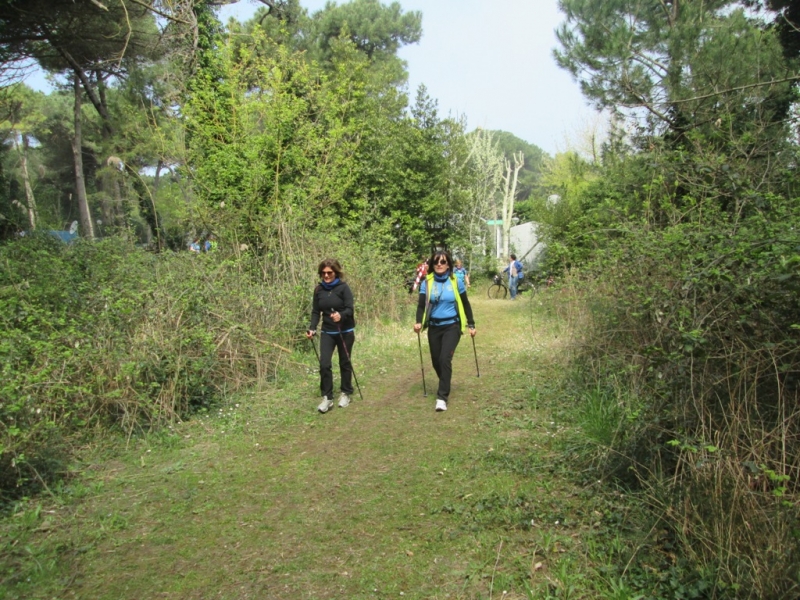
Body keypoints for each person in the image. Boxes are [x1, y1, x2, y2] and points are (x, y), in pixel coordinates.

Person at [413, 250, 476, 412]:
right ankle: (445, 381)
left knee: (444, 359)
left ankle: (442, 398)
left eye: (443, 262)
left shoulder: (456, 281)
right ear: (432, 265)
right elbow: (421, 306)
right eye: (436, 262)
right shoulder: (426, 282)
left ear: (448, 264)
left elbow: (465, 303)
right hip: (434, 326)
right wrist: (418, 322)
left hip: (452, 326)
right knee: (436, 361)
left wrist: (471, 324)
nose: (439, 265)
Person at [306, 259, 356, 413]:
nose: (326, 275)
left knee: (344, 362)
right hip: (327, 332)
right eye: (323, 273)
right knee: (324, 364)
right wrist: (312, 328)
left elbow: (350, 309)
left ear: (336, 273)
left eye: (329, 273)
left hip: (345, 331)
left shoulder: (343, 288)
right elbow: (316, 312)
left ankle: (346, 392)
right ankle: (327, 397)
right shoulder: (318, 290)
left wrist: (341, 315)